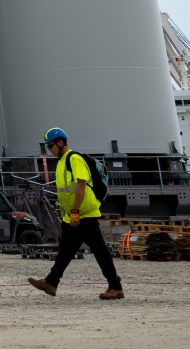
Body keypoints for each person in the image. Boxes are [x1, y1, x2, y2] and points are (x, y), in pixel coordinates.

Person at [28, 128, 124, 300]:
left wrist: (75, 211)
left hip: (83, 214)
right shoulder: (61, 162)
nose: (49, 150)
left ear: (60, 142)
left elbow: (80, 186)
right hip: (72, 217)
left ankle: (115, 287)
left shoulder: (74, 159)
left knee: (100, 251)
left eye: (51, 146)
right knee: (65, 251)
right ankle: (51, 282)